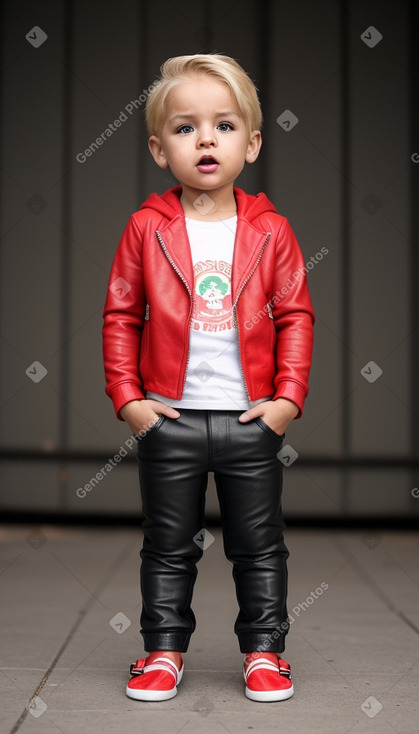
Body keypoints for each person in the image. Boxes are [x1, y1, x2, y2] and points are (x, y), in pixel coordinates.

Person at [102, 53, 315, 703]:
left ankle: (264, 653)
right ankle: (162, 652)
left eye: (223, 126)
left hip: (251, 418)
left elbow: (295, 315)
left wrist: (286, 400)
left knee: (258, 546)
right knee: (168, 546)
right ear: (158, 148)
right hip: (169, 417)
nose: (204, 140)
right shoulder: (146, 228)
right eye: (185, 127)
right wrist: (129, 401)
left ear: (250, 143)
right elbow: (119, 314)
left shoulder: (271, 231)